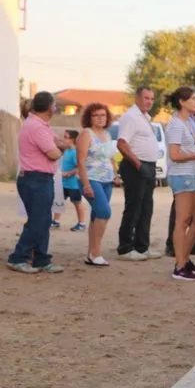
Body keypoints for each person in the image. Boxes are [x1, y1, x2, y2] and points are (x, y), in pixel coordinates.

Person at [8, 91, 68, 274]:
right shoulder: (37, 127)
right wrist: (61, 148)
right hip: (36, 179)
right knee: (38, 220)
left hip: (39, 178)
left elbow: (57, 143)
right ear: (50, 107)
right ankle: (18, 257)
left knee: (43, 220)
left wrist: (59, 145)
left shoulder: (39, 125)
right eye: (55, 105)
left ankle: (41, 259)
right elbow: (54, 153)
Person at [164, 87, 195, 281]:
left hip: (192, 174)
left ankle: (184, 258)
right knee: (183, 220)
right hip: (181, 175)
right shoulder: (176, 124)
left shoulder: (187, 123)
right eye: (192, 99)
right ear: (182, 102)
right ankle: (180, 265)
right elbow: (175, 155)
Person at [116, 86, 161, 260]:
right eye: (146, 98)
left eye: (151, 98)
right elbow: (121, 143)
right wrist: (138, 164)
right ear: (137, 98)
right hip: (136, 167)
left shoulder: (145, 118)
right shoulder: (130, 117)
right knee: (134, 208)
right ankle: (125, 247)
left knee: (146, 208)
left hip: (149, 166)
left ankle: (142, 246)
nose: (149, 101)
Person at [77, 103, 120, 266]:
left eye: (103, 115)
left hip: (107, 180)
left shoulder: (107, 135)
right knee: (104, 212)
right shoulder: (86, 134)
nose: (100, 118)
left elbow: (110, 157)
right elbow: (80, 161)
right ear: (90, 117)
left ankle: (91, 253)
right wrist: (86, 185)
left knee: (96, 216)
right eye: (96, 115)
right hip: (91, 179)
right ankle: (96, 253)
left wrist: (116, 175)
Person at [59, 130, 87, 232]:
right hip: (63, 183)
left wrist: (69, 173)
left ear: (73, 139)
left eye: (66, 137)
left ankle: (81, 223)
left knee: (77, 202)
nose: (64, 139)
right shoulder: (67, 151)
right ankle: (55, 221)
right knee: (58, 201)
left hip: (73, 184)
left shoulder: (75, 152)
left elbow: (80, 167)